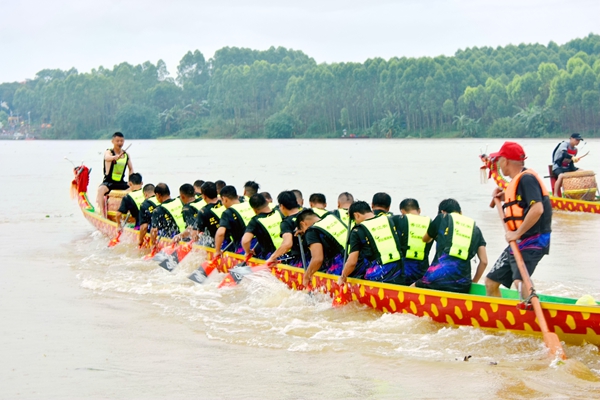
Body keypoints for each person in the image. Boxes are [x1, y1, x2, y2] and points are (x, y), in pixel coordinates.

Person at [485, 141, 552, 298]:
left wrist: (516, 233)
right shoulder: (518, 180)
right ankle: (500, 320)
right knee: (490, 283)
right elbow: (522, 202)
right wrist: (504, 197)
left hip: (534, 239)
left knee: (520, 282)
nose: (499, 164)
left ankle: (533, 315)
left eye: (499, 160)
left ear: (506, 161)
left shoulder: (527, 179)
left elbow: (538, 209)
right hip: (521, 240)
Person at [414, 199, 487, 294]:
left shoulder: (442, 218)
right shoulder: (476, 229)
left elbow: (425, 239)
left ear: (442, 212)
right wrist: (473, 282)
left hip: (437, 279)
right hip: (463, 284)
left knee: (413, 288)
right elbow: (484, 262)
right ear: (460, 212)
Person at [338, 201, 403, 285]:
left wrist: (343, 276)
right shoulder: (388, 220)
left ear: (356, 215)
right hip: (399, 271)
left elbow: (352, 262)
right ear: (371, 211)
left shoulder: (357, 230)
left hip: (379, 275)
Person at [296, 209, 347, 286]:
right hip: (356, 259)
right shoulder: (332, 217)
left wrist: (306, 276)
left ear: (303, 224)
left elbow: (317, 259)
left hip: (343, 265)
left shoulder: (311, 232)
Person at [394, 198, 433, 285]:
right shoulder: (430, 222)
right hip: (422, 271)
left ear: (402, 211)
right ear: (419, 210)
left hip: (404, 271)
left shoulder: (399, 219)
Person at [96, 132, 134, 216]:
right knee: (100, 190)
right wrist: (114, 157)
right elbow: (107, 158)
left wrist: (131, 182)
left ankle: (131, 214)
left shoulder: (126, 155)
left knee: (134, 189)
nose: (120, 143)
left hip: (120, 182)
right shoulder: (109, 152)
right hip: (109, 182)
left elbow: (131, 169)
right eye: (117, 141)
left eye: (121, 141)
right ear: (112, 141)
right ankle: (102, 214)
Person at [214, 185, 255, 256]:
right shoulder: (250, 205)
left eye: (222, 201)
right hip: (259, 245)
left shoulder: (228, 212)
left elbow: (220, 233)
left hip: (244, 247)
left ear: (224, 199)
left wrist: (217, 251)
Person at [266, 191, 303, 266]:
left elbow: (287, 244)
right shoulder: (307, 213)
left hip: (302, 259)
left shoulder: (286, 223)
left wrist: (272, 258)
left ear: (282, 206)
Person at [242, 193, 283, 259]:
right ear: (267, 202)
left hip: (271, 258)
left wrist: (248, 252)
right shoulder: (280, 212)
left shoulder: (255, 221)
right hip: (287, 253)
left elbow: (245, 241)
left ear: (254, 209)